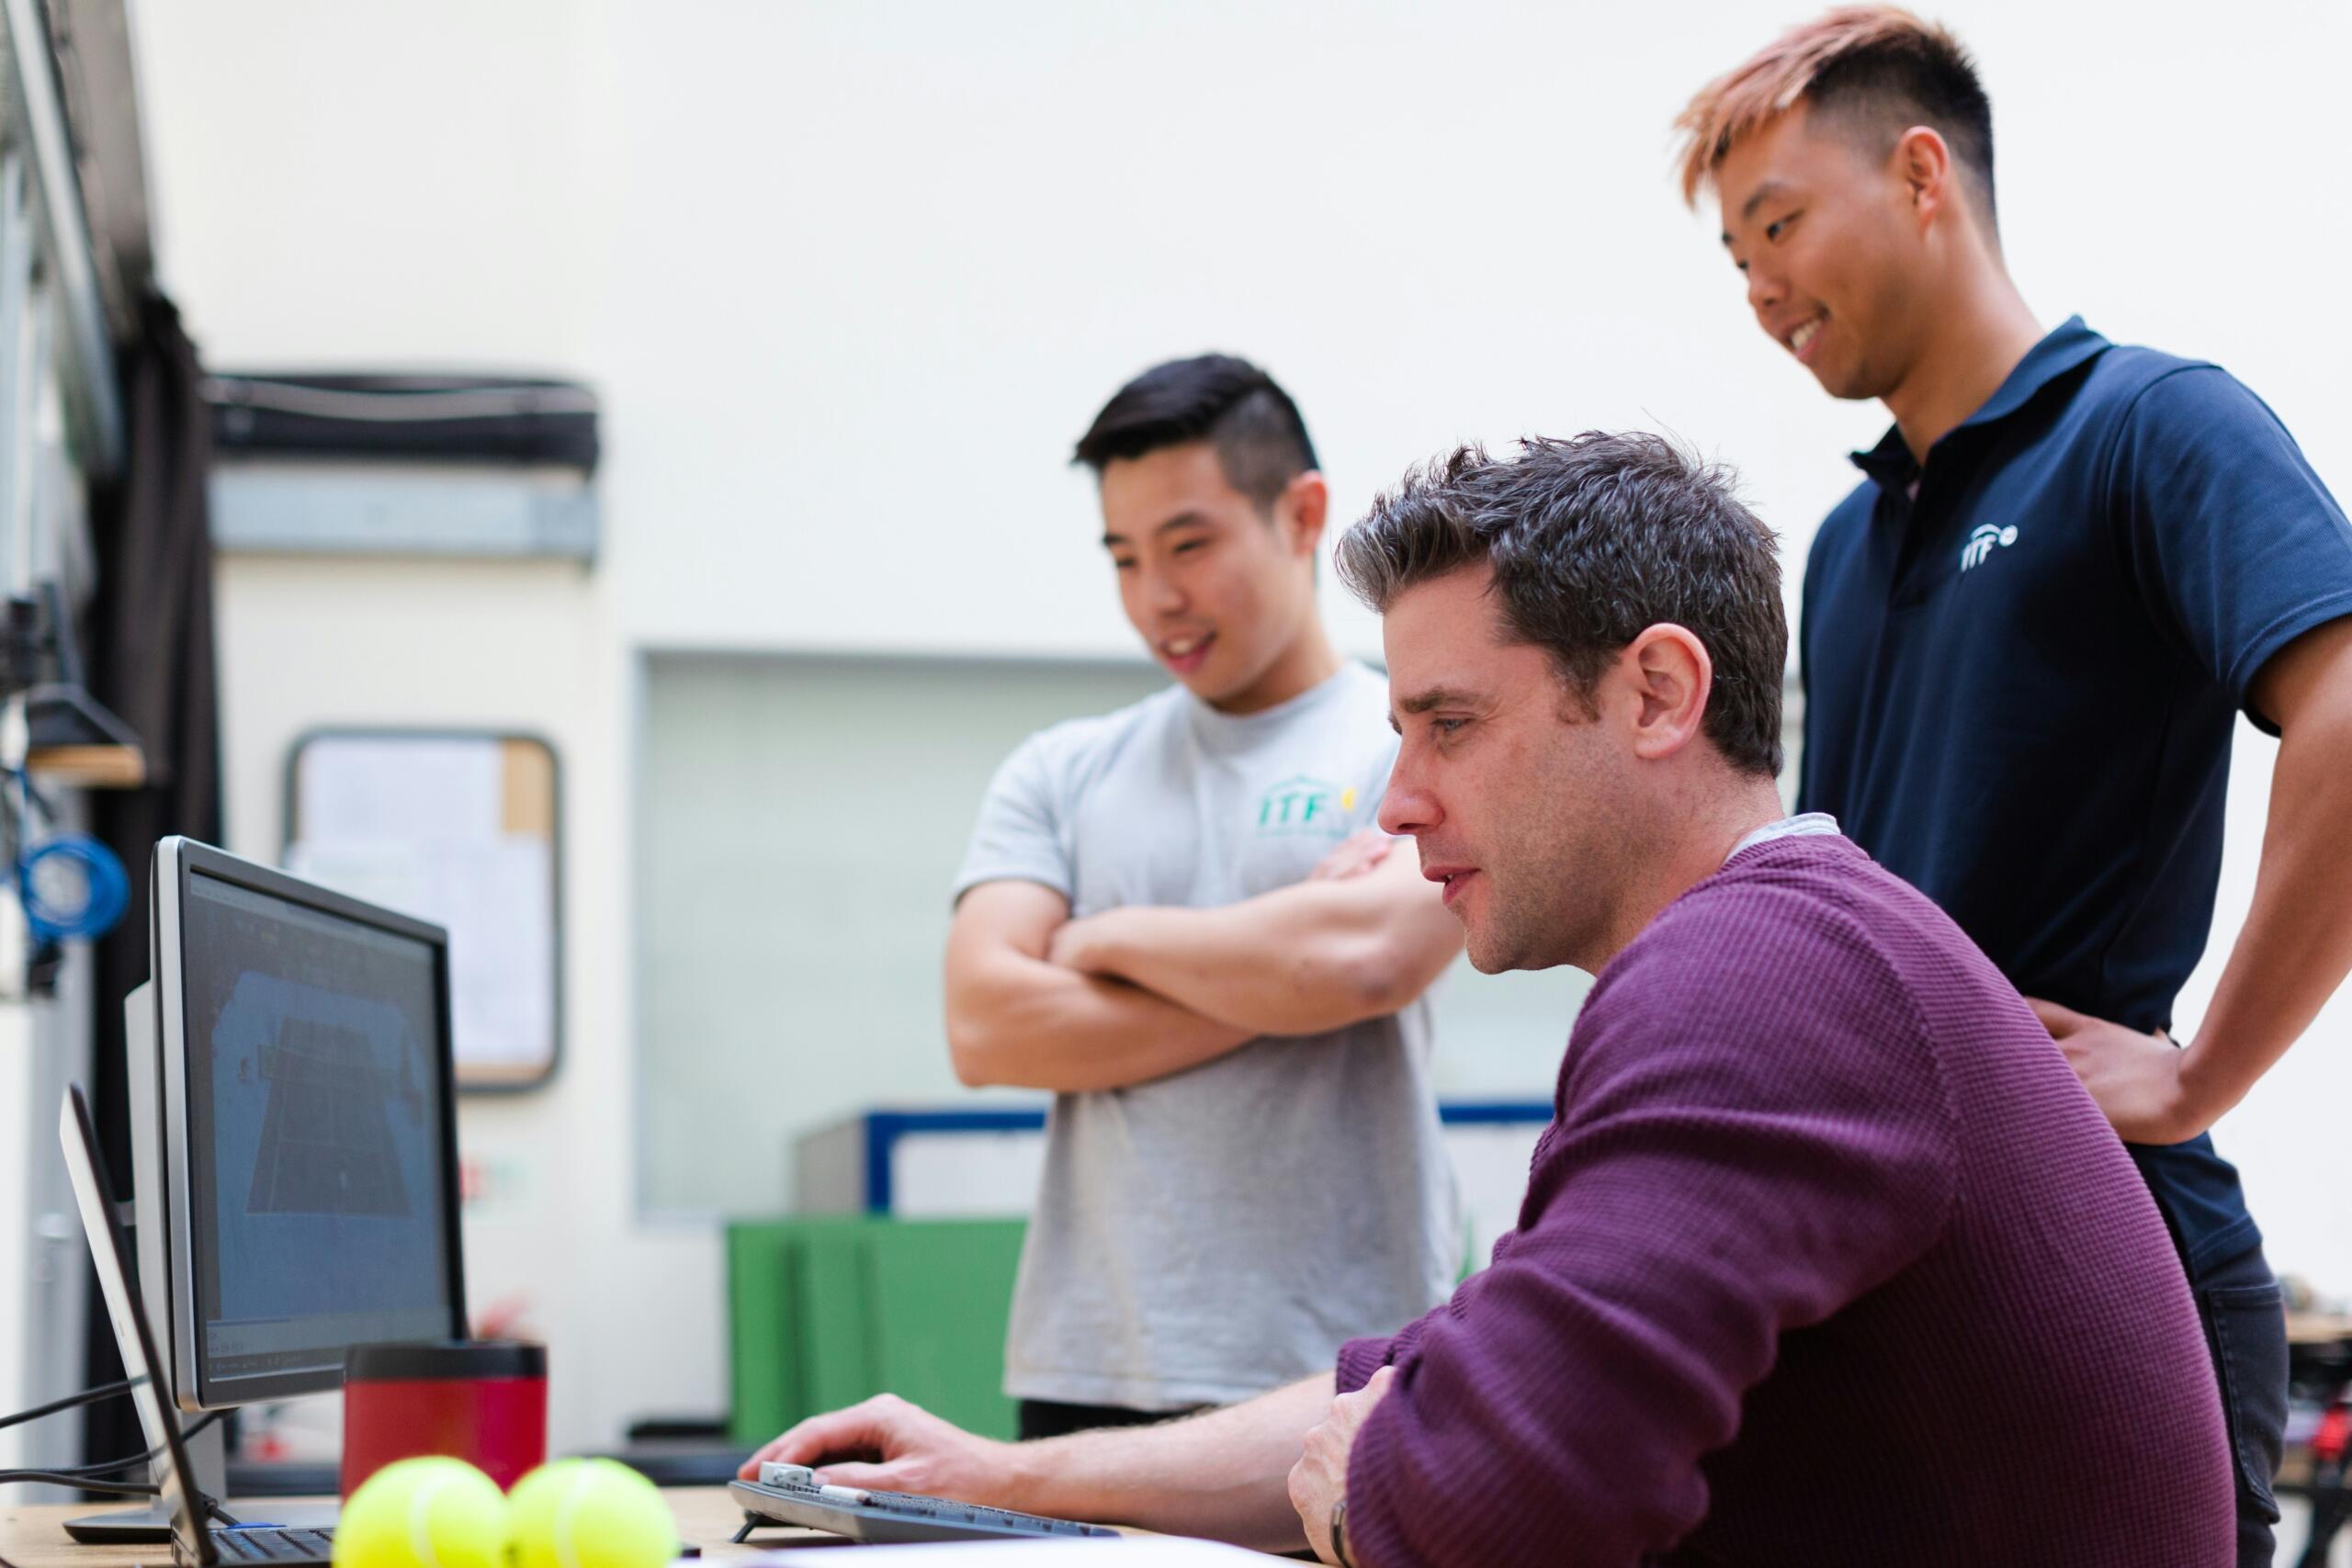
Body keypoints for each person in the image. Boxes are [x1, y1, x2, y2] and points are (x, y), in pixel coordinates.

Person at [746, 433, 2235, 1566]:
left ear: (1657, 694)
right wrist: (1002, 1479)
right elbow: (1455, 1376)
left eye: (1449, 725)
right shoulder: (1787, 946)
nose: (1397, 805)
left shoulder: (1758, 978)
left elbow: (1497, 1497)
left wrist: (1378, 1478)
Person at [1674, 11, 2352, 1560]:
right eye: (1734, 259)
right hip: (1890, 1286)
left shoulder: (2151, 427)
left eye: (1779, 224)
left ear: (1923, 174)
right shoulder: (1847, 543)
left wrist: (2200, 1075)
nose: (1763, 287)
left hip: (2118, 1266)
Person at [943, 353, 1464, 1439]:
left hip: (1345, 1362)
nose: (1156, 598)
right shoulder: (1061, 769)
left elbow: (1366, 959)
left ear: (1301, 514)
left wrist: (1103, 936)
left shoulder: (1412, 744)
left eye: (1189, 545)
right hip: (1094, 1369)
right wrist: (1280, 972)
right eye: (1124, 558)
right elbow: (986, 1024)